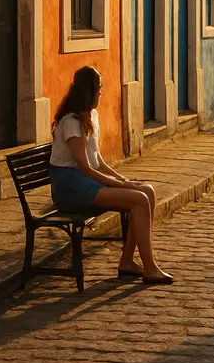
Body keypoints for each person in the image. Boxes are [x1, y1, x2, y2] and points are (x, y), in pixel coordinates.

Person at [49, 66, 173, 284]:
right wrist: (120, 185)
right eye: (99, 89)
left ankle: (127, 262)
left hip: (86, 182)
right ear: (89, 92)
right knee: (138, 199)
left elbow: (99, 161)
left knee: (148, 191)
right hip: (71, 187)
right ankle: (150, 267)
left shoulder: (91, 116)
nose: (101, 93)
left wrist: (124, 180)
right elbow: (85, 168)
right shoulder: (71, 122)